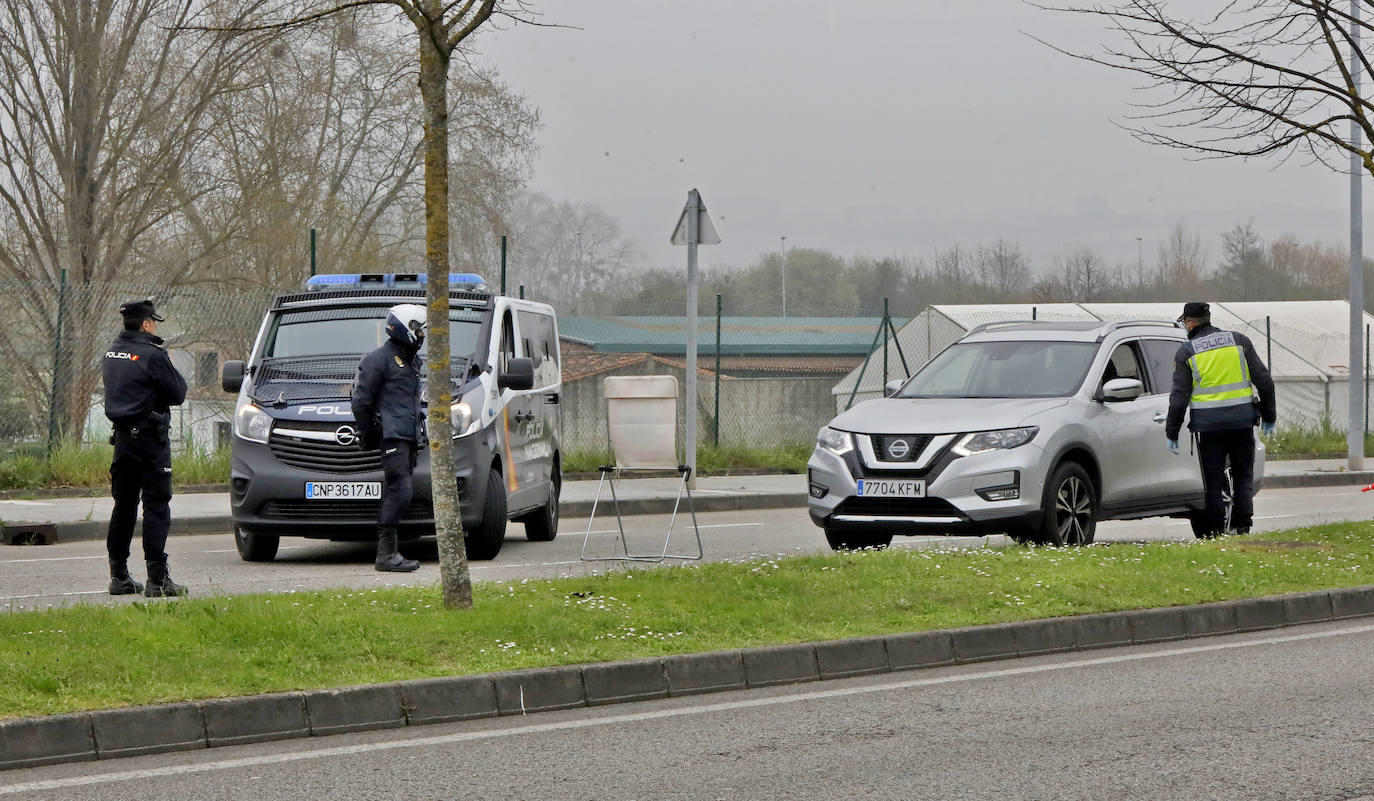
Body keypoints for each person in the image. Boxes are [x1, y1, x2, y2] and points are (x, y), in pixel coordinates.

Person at [1165, 301, 1277, 537]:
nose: (1185, 327)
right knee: (1242, 475)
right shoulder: (1239, 341)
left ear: (1192, 323)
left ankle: (1215, 529)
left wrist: (1172, 431)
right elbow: (1264, 381)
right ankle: (1242, 525)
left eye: (1185, 322)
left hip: (1208, 427)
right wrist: (1269, 416)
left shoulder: (1187, 351)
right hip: (1241, 422)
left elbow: (1179, 397)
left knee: (1213, 479)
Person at [102, 299, 188, 596]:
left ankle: (119, 576)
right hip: (151, 441)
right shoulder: (153, 355)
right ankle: (157, 578)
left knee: (123, 506)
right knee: (156, 506)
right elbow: (177, 393)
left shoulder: (111, 353)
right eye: (154, 322)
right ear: (147, 323)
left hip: (122, 441)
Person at [351, 304, 427, 572]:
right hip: (393, 436)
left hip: (408, 436)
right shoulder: (378, 360)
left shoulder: (410, 361)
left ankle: (391, 553)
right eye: (418, 330)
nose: (421, 337)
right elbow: (361, 402)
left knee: (402, 490)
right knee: (400, 490)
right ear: (405, 328)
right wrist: (371, 433)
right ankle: (386, 555)